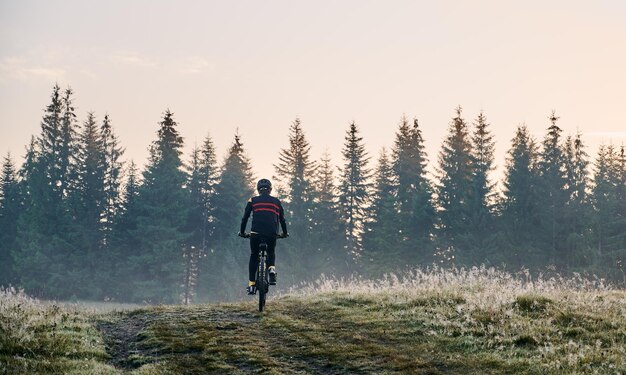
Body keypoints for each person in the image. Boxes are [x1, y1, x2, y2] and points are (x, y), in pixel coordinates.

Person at [239, 178, 288, 295]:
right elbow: (282, 219)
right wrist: (284, 233)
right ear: (270, 189)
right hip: (272, 233)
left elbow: (245, 217)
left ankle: (251, 285)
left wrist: (242, 232)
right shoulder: (276, 201)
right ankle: (271, 268)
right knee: (271, 251)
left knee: (254, 255)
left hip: (255, 233)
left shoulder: (253, 200)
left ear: (258, 189)